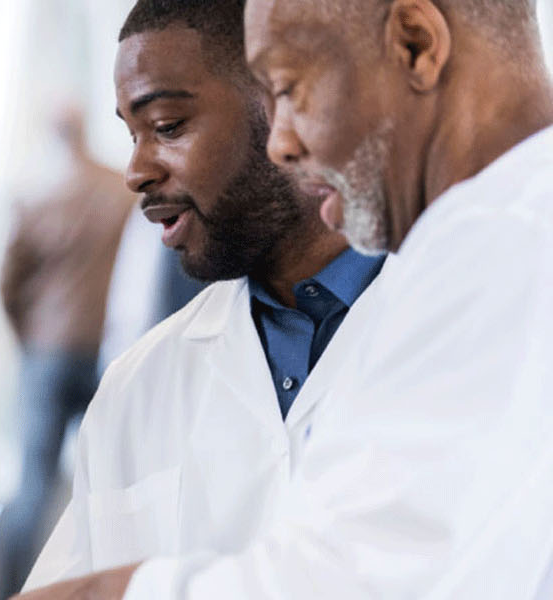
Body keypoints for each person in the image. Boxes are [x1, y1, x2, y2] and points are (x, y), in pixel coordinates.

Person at [0, 0, 553, 597]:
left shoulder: (498, 254)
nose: (285, 140)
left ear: (416, 46)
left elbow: (355, 576)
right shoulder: (138, 385)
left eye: (288, 89)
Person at [24, 0, 387, 587]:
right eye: (131, 133)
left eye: (167, 126)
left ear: (290, 105)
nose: (135, 170)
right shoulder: (136, 387)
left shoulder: (473, 323)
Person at [0, 105, 133, 594]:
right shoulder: (120, 190)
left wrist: (27, 337)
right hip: (107, 354)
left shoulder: (35, 196)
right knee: (114, 484)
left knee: (33, 484)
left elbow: (8, 283)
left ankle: (8, 591)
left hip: (47, 353)